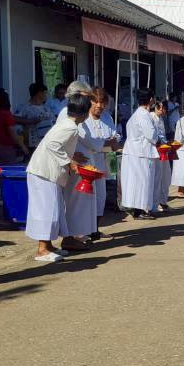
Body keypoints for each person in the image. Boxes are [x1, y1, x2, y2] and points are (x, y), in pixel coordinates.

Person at [26, 91, 90, 261]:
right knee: (47, 210)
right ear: (84, 114)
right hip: (43, 172)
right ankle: (42, 249)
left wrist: (71, 157)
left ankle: (48, 246)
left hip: (46, 172)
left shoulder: (66, 124)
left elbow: (57, 145)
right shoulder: (69, 127)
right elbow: (53, 144)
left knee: (54, 209)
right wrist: (70, 162)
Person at [60, 81, 104, 248]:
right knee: (74, 202)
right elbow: (88, 139)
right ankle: (70, 236)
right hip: (76, 165)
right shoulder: (67, 112)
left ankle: (78, 235)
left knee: (82, 202)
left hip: (84, 162)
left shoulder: (79, 112)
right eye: (86, 97)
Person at [119, 89, 158, 220]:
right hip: (140, 153)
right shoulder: (143, 115)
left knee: (138, 182)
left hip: (137, 152)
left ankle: (140, 209)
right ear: (151, 100)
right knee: (141, 181)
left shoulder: (138, 114)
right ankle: (139, 210)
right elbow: (152, 135)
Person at [86, 88, 118, 228]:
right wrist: (105, 142)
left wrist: (110, 142)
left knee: (101, 197)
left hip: (104, 161)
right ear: (90, 101)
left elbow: (114, 136)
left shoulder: (107, 117)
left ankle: (95, 229)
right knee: (87, 198)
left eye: (102, 102)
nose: (99, 105)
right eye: (96, 101)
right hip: (88, 164)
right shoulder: (84, 118)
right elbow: (90, 142)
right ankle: (85, 230)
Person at [0, 88, 29, 165]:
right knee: (8, 173)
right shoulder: (6, 114)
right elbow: (13, 135)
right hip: (5, 150)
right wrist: (24, 147)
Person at [13, 82, 53, 148]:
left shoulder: (46, 108)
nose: (45, 95)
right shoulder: (24, 108)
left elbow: (53, 122)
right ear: (39, 93)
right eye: (44, 93)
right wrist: (30, 121)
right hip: (33, 145)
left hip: (47, 144)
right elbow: (15, 123)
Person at [151, 99, 171, 212]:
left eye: (164, 109)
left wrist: (167, 143)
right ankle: (156, 203)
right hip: (156, 151)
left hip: (164, 151)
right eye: (160, 108)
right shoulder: (151, 117)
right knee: (157, 178)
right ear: (156, 107)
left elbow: (162, 135)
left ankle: (163, 201)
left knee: (166, 177)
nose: (162, 110)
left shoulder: (161, 119)